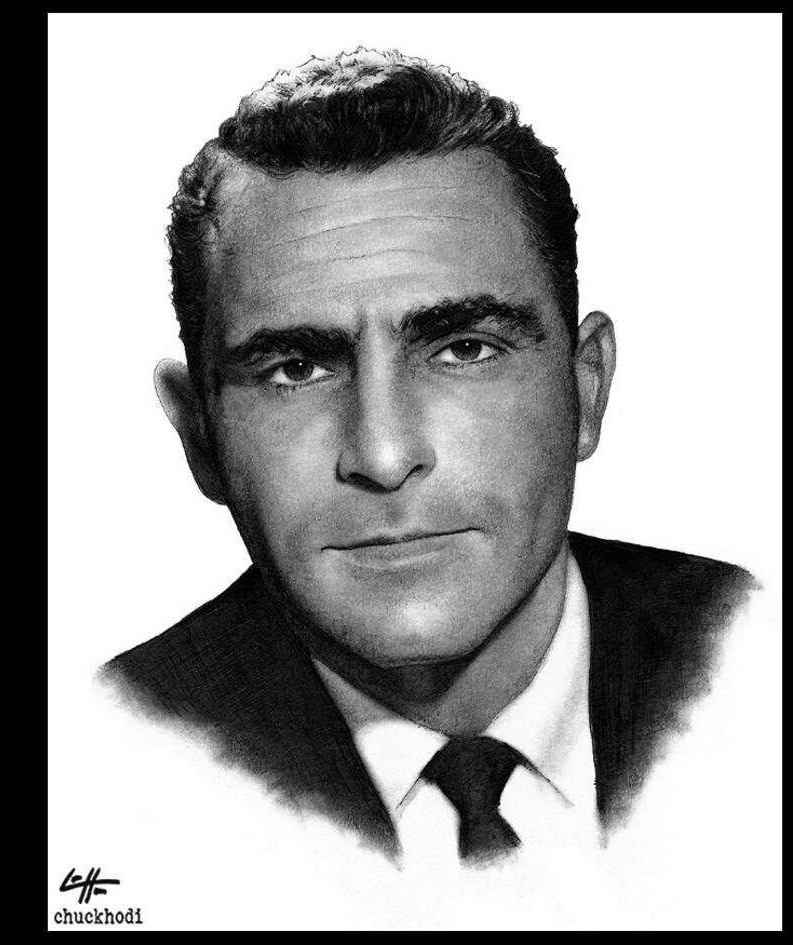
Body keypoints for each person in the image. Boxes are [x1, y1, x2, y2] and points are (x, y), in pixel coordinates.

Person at [101, 48, 757, 866]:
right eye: (295, 369)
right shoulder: (94, 767)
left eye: (464, 349)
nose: (383, 455)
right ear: (199, 434)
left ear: (586, 389)